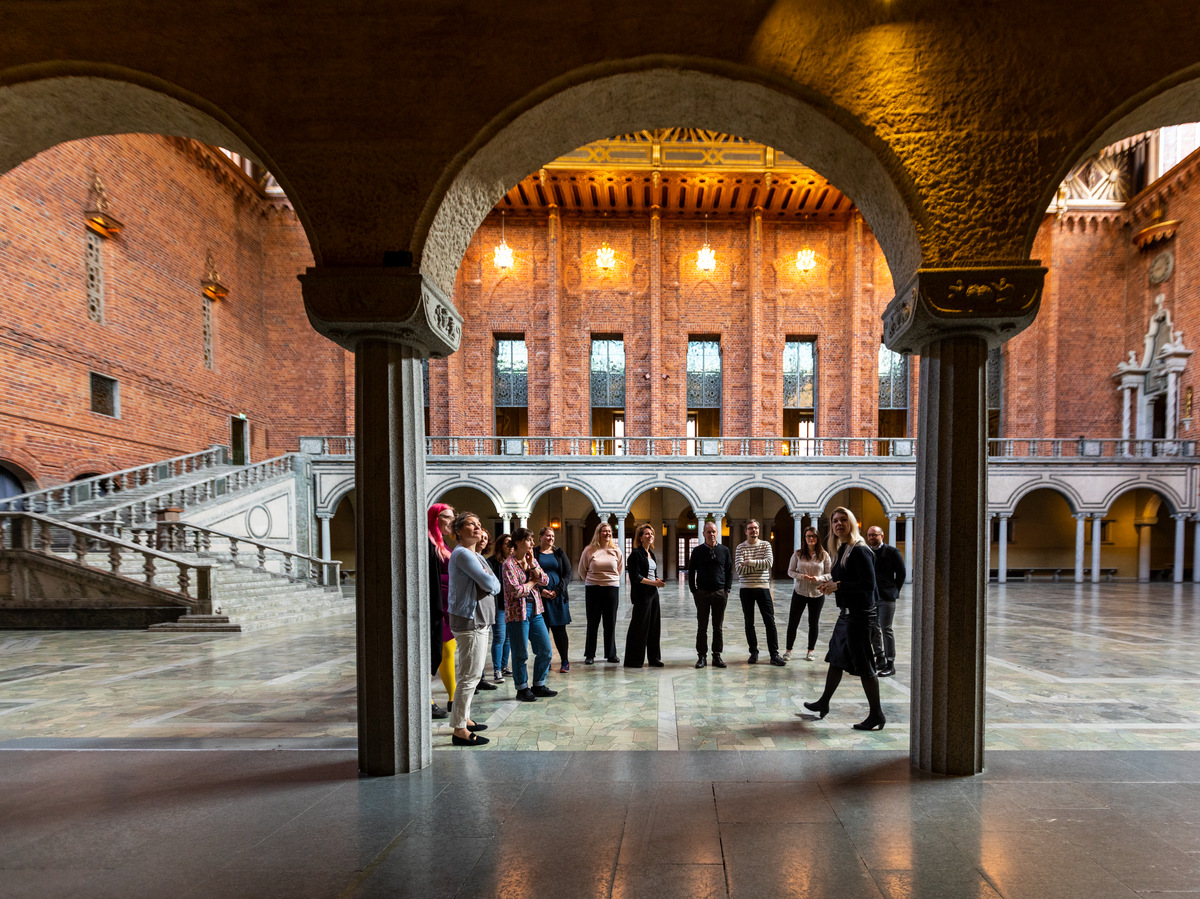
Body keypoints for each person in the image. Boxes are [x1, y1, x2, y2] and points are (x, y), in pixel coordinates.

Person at [803, 507, 886, 730]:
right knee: (836, 659)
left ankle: (877, 714)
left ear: (851, 523)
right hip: (846, 616)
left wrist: (837, 586)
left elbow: (869, 585)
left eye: (843, 520)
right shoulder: (844, 550)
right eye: (834, 521)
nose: (838, 524)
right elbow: (845, 580)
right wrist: (829, 585)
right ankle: (824, 702)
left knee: (865, 665)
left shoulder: (860, 550)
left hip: (860, 617)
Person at [446, 512, 500, 746]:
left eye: (480, 524)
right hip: (470, 620)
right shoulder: (462, 554)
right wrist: (491, 582)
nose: (478, 528)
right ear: (458, 531)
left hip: (479, 619)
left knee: (472, 673)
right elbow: (490, 583)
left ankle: (465, 718)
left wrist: (491, 583)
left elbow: (494, 584)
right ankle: (459, 729)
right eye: (471, 524)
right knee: (469, 675)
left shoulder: (475, 554)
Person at [502, 527, 558, 702]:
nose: (532, 544)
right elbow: (516, 591)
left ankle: (539, 684)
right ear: (518, 542)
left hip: (536, 610)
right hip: (517, 613)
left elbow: (546, 581)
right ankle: (522, 688)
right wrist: (533, 581)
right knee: (520, 653)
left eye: (533, 540)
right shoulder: (508, 564)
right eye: (529, 540)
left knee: (546, 650)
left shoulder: (530, 559)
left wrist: (533, 565)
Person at [735, 518, 785, 666]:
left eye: (755, 528)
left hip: (763, 588)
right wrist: (758, 565)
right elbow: (739, 569)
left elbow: (768, 564)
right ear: (746, 531)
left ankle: (774, 654)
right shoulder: (740, 547)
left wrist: (749, 562)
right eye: (750, 528)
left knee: (770, 622)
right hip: (746, 589)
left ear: (758, 530)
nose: (753, 530)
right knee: (749, 623)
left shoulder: (766, 545)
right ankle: (753, 653)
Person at [688, 520, 732, 669]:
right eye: (708, 532)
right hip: (702, 593)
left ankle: (717, 656)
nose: (711, 534)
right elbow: (691, 571)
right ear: (703, 534)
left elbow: (729, 570)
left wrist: (727, 589)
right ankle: (701, 656)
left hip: (720, 593)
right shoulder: (697, 551)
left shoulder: (724, 550)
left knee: (718, 627)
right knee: (702, 626)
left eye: (714, 531)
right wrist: (694, 590)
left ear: (717, 533)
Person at [578, 521, 623, 664]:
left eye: (609, 531)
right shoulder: (589, 550)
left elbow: (620, 569)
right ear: (598, 533)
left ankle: (611, 654)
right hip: (593, 588)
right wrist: (593, 580)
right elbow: (582, 570)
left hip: (611, 588)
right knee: (593, 622)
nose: (607, 533)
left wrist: (610, 580)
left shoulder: (616, 550)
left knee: (610, 622)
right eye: (604, 531)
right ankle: (590, 654)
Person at [785, 526, 831, 661]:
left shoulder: (824, 554)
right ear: (804, 538)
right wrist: (801, 576)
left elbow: (829, 573)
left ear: (817, 538)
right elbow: (790, 571)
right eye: (808, 536)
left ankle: (810, 651)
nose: (811, 538)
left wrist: (820, 578)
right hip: (800, 591)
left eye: (813, 536)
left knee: (813, 623)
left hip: (817, 593)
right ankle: (788, 650)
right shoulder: (798, 554)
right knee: (793, 622)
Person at [427, 503, 456, 720]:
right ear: (435, 518)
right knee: (434, 651)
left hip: (447, 605)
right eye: (446, 517)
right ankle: (426, 700)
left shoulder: (441, 542)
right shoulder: (428, 542)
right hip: (435, 604)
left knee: (448, 649)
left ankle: (454, 699)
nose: (451, 521)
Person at [865, 525, 906, 677]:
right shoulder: (867, 552)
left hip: (886, 596)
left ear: (882, 536)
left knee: (886, 628)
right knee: (874, 629)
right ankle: (879, 658)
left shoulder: (892, 551)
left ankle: (890, 663)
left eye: (874, 535)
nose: (871, 538)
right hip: (871, 597)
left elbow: (901, 574)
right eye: (869, 535)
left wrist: (894, 590)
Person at [624, 523, 666, 668]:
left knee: (654, 626)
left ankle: (654, 658)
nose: (650, 536)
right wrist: (654, 583)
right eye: (647, 534)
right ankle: (634, 660)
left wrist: (657, 581)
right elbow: (635, 576)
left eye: (652, 534)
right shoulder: (635, 554)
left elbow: (652, 573)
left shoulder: (651, 554)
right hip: (642, 594)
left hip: (653, 594)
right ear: (640, 537)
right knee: (639, 626)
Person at [535, 526, 574, 673]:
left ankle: (565, 661)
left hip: (558, 597)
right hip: (541, 597)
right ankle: (547, 659)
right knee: (543, 630)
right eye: (547, 535)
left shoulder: (559, 552)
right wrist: (541, 591)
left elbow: (568, 573)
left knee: (560, 630)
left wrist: (557, 591)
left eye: (552, 536)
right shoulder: (533, 553)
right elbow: (528, 574)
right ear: (540, 537)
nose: (551, 538)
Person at [487, 532, 514, 683]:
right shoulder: (492, 562)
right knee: (499, 637)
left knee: (508, 639)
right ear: (500, 546)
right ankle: (497, 670)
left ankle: (504, 666)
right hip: (498, 605)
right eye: (507, 543)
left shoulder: (513, 562)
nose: (510, 546)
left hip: (511, 605)